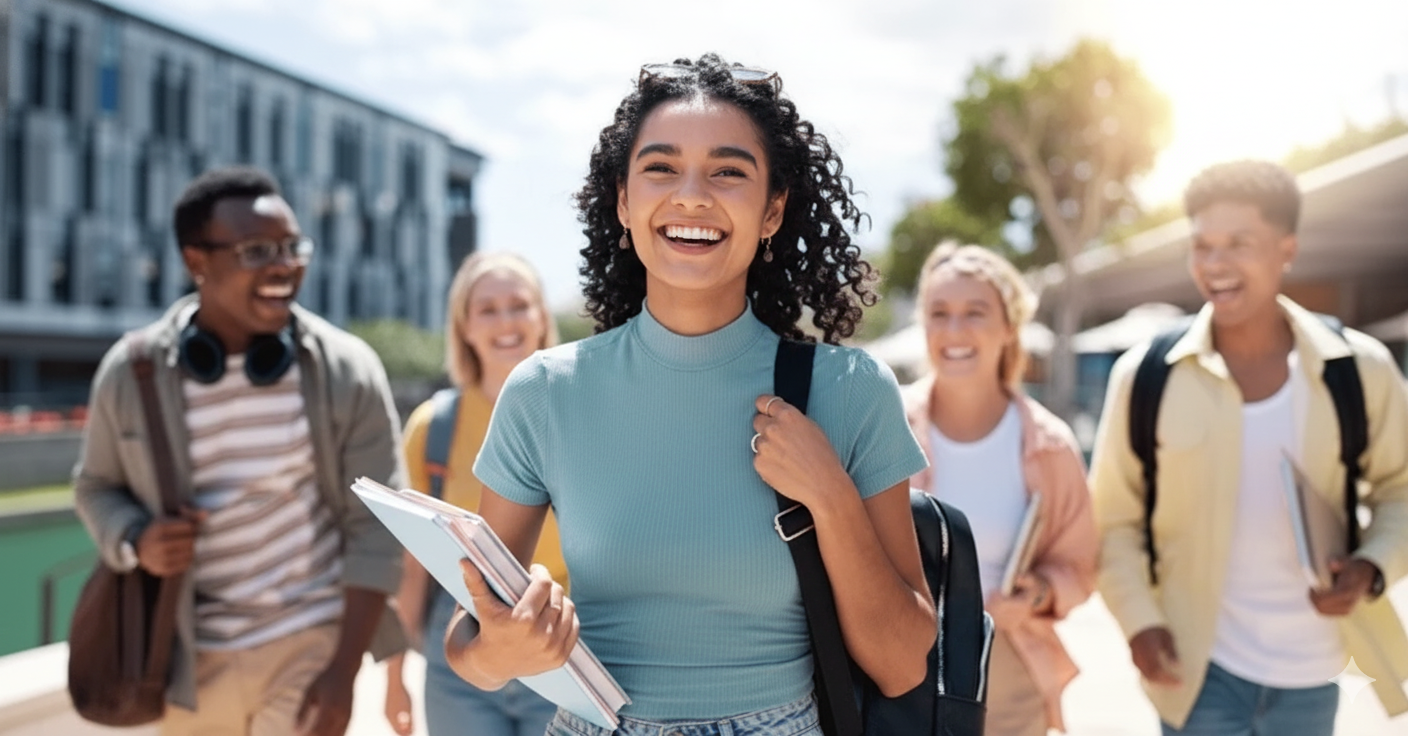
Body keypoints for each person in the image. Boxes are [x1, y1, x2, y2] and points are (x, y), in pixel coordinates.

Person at [439, 54, 936, 736]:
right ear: (623, 200)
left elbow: (904, 664)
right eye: (661, 167)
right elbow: (467, 646)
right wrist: (502, 650)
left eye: (729, 171)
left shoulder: (849, 391)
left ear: (773, 210)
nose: (692, 196)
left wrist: (830, 497)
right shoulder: (544, 393)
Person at [72, 166, 406, 736]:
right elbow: (94, 486)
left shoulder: (348, 370)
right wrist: (136, 540)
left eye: (290, 247)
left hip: (308, 643)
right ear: (196, 262)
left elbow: (379, 528)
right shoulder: (132, 374)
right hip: (183, 664)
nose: (284, 266)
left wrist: (341, 673)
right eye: (256, 251)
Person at [1089, 159, 1408, 735]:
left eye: (1239, 244)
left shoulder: (1360, 370)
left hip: (1315, 670)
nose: (1215, 265)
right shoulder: (1146, 376)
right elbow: (1112, 517)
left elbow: (1401, 490)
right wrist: (1139, 621)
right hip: (1197, 668)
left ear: (1287, 248)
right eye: (1202, 245)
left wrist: (1370, 566)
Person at [903, 243, 1097, 735]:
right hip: (904, 668)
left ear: (1009, 326)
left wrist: (1039, 592)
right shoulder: (883, 426)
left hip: (1008, 670)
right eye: (939, 313)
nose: (954, 330)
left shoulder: (1050, 447)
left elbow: (1079, 564)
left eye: (975, 312)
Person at [382, 252, 567, 736]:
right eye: (487, 309)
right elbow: (411, 565)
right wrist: (395, 678)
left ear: (541, 317)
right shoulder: (432, 428)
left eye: (519, 305)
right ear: (464, 326)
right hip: (459, 643)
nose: (505, 321)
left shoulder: (579, 412)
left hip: (562, 641)